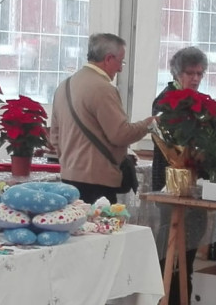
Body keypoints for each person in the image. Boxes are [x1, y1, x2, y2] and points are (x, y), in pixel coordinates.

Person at [50, 32, 155, 205]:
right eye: (120, 61)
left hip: (68, 177)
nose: (121, 68)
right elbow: (120, 134)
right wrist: (148, 124)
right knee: (100, 229)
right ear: (108, 59)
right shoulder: (103, 89)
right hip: (97, 182)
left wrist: (71, 162)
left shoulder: (64, 86)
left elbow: (55, 137)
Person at [152, 47, 209, 305]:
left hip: (194, 183)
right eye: (190, 73)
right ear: (177, 72)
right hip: (169, 181)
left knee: (193, 234)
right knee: (169, 238)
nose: (196, 78)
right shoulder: (165, 100)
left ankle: (183, 291)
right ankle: (166, 295)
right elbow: (172, 142)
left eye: (199, 73)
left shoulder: (200, 101)